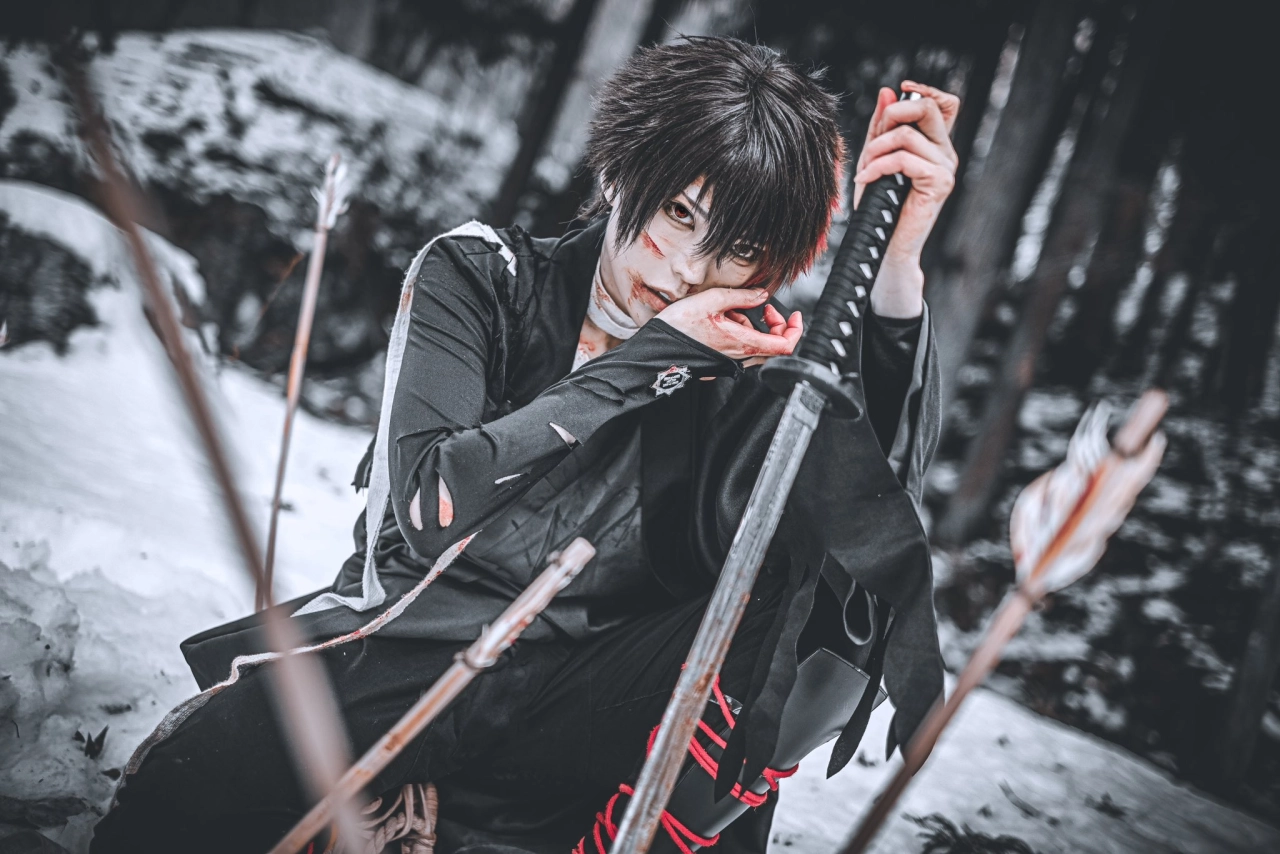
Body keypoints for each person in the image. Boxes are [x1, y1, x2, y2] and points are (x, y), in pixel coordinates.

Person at [92, 36, 959, 854]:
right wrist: (648, 363)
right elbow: (431, 507)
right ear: (620, 173)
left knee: (835, 610)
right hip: (403, 667)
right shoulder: (481, 277)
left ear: (770, 270)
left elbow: (865, 532)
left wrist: (896, 272)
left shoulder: (741, 380)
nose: (688, 271)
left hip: (584, 724)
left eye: (735, 250)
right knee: (180, 799)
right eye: (679, 212)